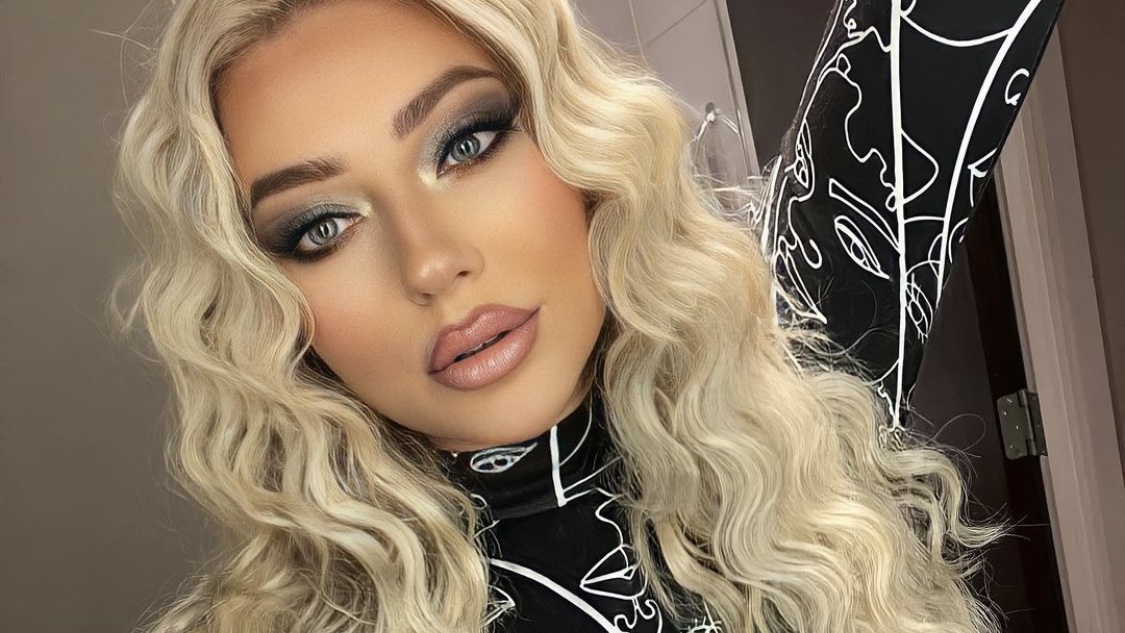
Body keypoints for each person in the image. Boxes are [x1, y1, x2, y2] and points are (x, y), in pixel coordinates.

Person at [111, 0, 1060, 631]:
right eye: (321, 226)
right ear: (268, 306)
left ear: (579, 142)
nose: (431, 261)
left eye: (466, 142)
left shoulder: (788, 356)